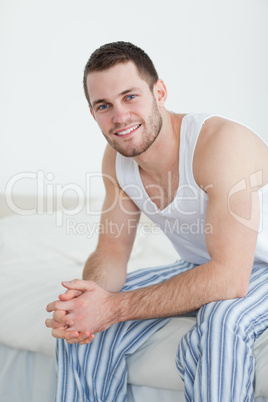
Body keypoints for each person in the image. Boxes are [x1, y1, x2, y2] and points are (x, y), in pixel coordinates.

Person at [46, 41, 268, 401]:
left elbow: (231, 277)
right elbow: (111, 252)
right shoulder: (116, 159)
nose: (119, 116)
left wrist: (113, 308)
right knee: (83, 321)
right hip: (204, 264)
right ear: (93, 114)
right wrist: (88, 302)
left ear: (159, 92)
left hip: (246, 268)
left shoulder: (219, 143)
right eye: (105, 105)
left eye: (130, 96)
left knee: (222, 321)